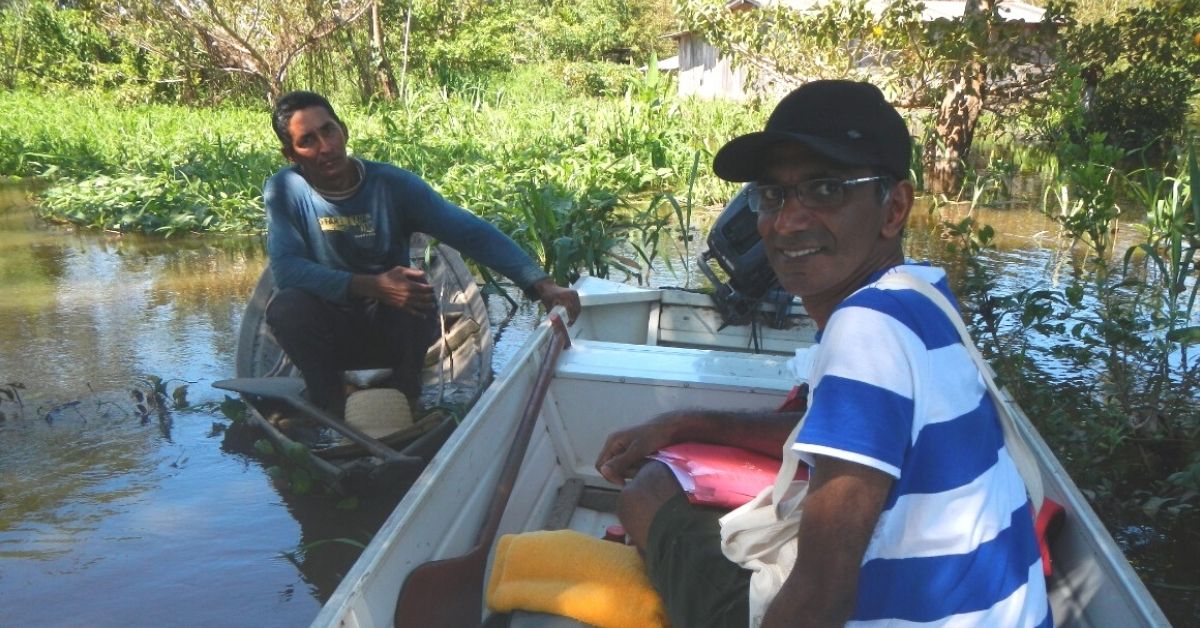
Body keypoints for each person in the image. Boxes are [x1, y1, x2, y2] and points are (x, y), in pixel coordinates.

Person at [595, 80, 1050, 627]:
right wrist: (684, 421)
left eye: (826, 190)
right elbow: (822, 429)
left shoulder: (865, 331)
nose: (785, 223)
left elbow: (822, 596)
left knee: (647, 493)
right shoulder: (920, 297)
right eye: (772, 194)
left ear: (894, 207)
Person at [263, 90, 580, 417]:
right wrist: (372, 284)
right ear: (291, 154)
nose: (325, 147)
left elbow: (467, 231)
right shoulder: (286, 190)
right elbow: (286, 270)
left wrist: (540, 283)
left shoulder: (392, 185)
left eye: (328, 130)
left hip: (391, 329)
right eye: (308, 141)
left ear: (344, 129)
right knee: (286, 308)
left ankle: (405, 393)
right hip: (328, 335)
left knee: (416, 291)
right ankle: (329, 401)